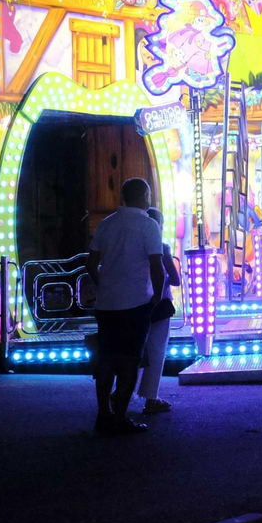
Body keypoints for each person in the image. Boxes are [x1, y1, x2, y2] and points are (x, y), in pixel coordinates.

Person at [87, 180, 165, 434]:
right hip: (136, 303)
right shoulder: (148, 225)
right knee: (131, 361)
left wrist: (103, 286)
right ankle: (120, 417)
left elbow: (91, 263)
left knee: (107, 360)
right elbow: (156, 265)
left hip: (107, 304)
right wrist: (154, 298)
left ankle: (103, 415)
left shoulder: (106, 224)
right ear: (143, 196)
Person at [135, 205, 181, 416]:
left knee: (135, 351)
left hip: (136, 304)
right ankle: (150, 398)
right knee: (156, 350)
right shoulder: (162, 249)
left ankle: (121, 392)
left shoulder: (136, 247)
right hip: (160, 306)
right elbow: (175, 279)